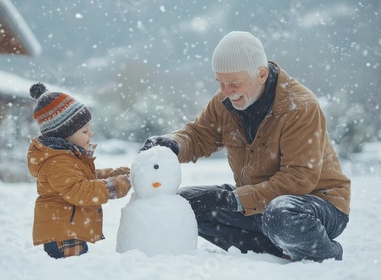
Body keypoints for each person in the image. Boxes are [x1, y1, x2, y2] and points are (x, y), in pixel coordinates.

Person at [140, 31, 351, 262]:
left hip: (315, 205)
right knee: (187, 204)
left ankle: (326, 253)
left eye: (233, 83)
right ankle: (279, 250)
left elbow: (298, 178)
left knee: (281, 214)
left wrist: (232, 200)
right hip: (256, 202)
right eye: (220, 82)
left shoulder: (299, 107)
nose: (226, 92)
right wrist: (173, 144)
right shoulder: (226, 100)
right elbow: (199, 135)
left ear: (261, 74)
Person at [27, 83, 131, 258]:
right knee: (69, 272)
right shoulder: (58, 162)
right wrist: (114, 186)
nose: (90, 134)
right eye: (85, 131)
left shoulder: (67, 157)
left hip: (68, 228)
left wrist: (112, 174)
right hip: (63, 234)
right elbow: (80, 190)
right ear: (65, 135)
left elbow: (84, 177)